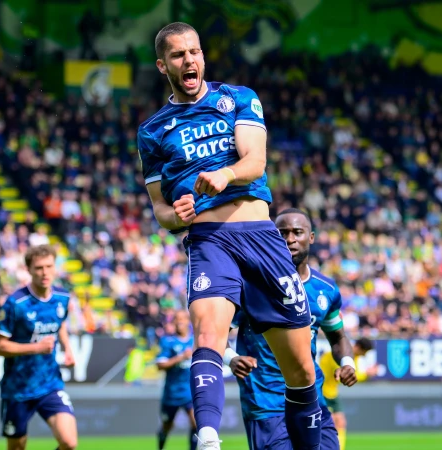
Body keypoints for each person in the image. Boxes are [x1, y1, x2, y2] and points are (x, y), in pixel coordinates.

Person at [138, 22, 318, 449]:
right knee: (208, 337)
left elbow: (255, 162)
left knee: (303, 372)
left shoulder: (238, 98)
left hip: (260, 236)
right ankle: (209, 438)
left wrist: (225, 174)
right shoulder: (152, 131)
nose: (190, 61)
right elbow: (160, 210)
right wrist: (175, 214)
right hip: (208, 240)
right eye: (179, 55)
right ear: (163, 65)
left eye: (195, 52)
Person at [224, 208, 357, 450]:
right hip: (267, 404)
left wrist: (347, 361)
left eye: (297, 232)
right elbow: (216, 334)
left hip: (313, 400)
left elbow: (338, 336)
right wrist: (231, 358)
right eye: (282, 232)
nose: (290, 239)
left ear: (312, 237)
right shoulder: (251, 286)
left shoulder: (324, 289)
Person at [0, 244, 78, 450]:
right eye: (39, 268)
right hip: (17, 390)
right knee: (16, 447)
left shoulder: (62, 298)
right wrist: (35, 348)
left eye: (49, 266)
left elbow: (61, 324)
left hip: (50, 384)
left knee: (69, 442)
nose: (45, 272)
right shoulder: (16, 303)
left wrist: (67, 348)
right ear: (29, 270)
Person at [320, 338, 376, 450]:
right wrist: (367, 374)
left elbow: (354, 374)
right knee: (328, 423)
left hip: (332, 393)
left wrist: (365, 374)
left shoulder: (353, 357)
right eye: (365, 352)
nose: (364, 355)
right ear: (359, 348)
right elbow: (342, 374)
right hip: (321, 392)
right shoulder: (341, 353)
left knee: (340, 422)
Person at [157, 310, 197, 450]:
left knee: (196, 423)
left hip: (190, 392)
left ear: (188, 321)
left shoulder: (195, 341)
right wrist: (180, 357)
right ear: (173, 322)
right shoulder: (167, 341)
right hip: (172, 392)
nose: (180, 321)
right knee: (167, 426)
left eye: (183, 319)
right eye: (177, 319)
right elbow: (160, 365)